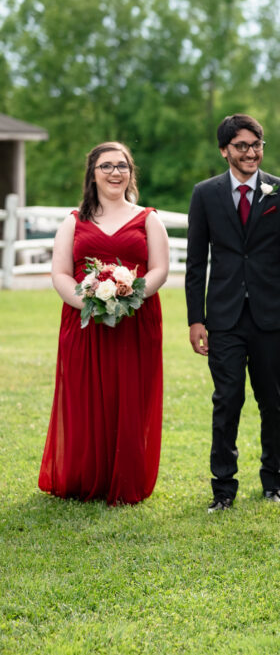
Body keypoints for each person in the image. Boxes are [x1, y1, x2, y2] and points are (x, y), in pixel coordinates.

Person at [186, 114, 280, 512]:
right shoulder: (205, 194)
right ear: (225, 150)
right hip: (222, 316)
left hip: (271, 315)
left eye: (256, 145)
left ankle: (273, 482)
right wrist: (195, 319)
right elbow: (195, 263)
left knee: (271, 402)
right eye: (241, 146)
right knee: (226, 400)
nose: (251, 153)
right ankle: (223, 489)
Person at [39, 142, 169, 505]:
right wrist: (90, 302)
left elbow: (159, 268)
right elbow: (61, 272)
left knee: (130, 396)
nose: (115, 172)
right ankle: (84, 476)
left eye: (122, 166)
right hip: (84, 322)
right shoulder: (73, 221)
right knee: (84, 396)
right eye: (106, 166)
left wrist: (132, 296)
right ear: (92, 173)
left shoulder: (148, 218)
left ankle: (126, 476)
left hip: (136, 321)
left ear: (131, 173)